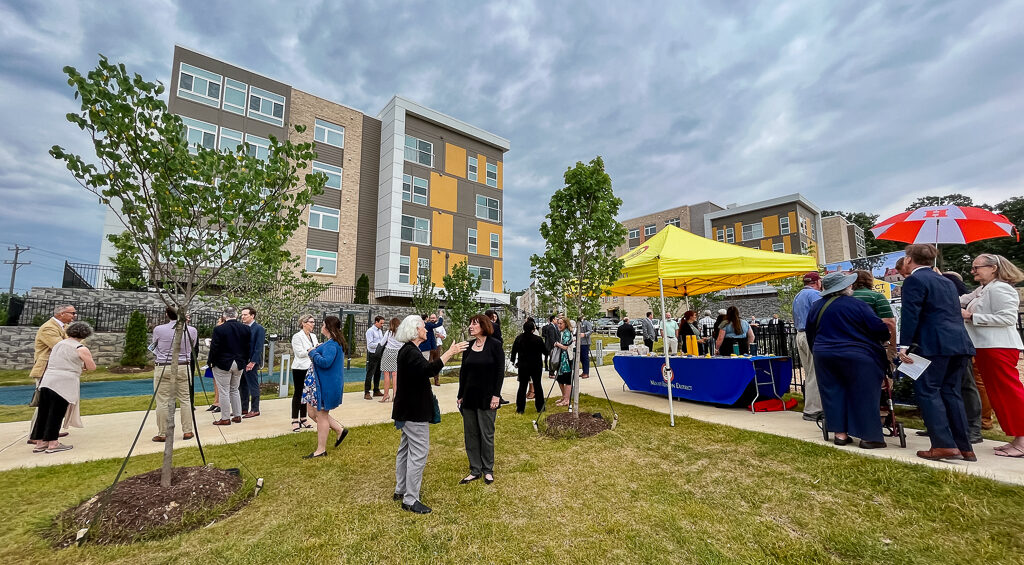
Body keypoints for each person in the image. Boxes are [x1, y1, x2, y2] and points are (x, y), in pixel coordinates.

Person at [897, 244, 976, 461]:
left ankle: (943, 444)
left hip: (932, 344)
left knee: (929, 391)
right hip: (959, 342)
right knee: (952, 392)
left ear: (909, 260)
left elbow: (911, 314)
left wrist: (904, 345)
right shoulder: (947, 281)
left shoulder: (914, 280)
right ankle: (964, 446)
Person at [392, 315, 468, 514]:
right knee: (418, 452)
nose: (427, 330)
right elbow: (428, 370)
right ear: (415, 330)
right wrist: (450, 352)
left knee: (405, 449)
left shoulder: (408, 351)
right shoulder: (410, 352)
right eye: (424, 327)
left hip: (407, 409)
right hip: (414, 411)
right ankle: (410, 499)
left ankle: (401, 489)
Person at [806, 273, 891, 449]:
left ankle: (840, 434)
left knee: (832, 392)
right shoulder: (858, 305)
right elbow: (878, 328)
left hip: (825, 354)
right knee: (865, 393)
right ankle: (869, 437)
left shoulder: (816, 307)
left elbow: (810, 333)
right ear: (846, 287)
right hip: (858, 355)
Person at [960, 253, 1024, 458]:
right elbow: (959, 300)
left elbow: (1007, 318)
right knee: (998, 394)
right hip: (987, 347)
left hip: (999, 346)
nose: (973, 271)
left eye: (976, 267)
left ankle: (1022, 440)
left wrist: (971, 316)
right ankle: (1017, 438)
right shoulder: (983, 290)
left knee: (1008, 392)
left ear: (993, 267)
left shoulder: (1002, 288)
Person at [29, 321, 95, 453]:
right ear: (85, 335)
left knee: (44, 411)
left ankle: (40, 442)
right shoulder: (80, 348)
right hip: (64, 382)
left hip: (48, 380)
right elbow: (91, 367)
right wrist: (83, 366)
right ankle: (53, 443)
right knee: (56, 413)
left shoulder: (58, 344)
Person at [457, 314, 506, 485]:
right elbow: (464, 372)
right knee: (471, 434)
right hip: (469, 397)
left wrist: (496, 395)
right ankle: (475, 469)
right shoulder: (469, 346)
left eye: (475, 324)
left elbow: (500, 372)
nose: (471, 326)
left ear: (484, 326)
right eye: (470, 323)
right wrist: (460, 394)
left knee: (486, 434)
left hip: (487, 397)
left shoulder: (495, 345)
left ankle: (488, 469)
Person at [303, 316, 349, 458]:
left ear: (328, 327)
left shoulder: (332, 344)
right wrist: (317, 349)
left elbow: (325, 362)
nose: (321, 326)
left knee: (321, 415)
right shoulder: (332, 343)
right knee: (311, 413)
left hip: (325, 386)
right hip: (321, 385)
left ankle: (321, 450)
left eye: (323, 324)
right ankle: (339, 430)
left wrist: (312, 352)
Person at [150, 306, 198, 443]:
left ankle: (163, 432)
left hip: (163, 366)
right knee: (185, 399)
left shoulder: (159, 330)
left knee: (162, 401)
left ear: (167, 314)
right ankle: (188, 430)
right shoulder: (192, 330)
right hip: (183, 366)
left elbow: (154, 345)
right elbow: (192, 346)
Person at [28, 304, 74, 445]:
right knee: (44, 403)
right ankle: (35, 434)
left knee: (54, 403)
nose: (74, 315)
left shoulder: (62, 327)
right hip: (46, 369)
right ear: (61, 314)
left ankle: (49, 431)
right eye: (72, 313)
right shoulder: (49, 328)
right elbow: (62, 346)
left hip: (57, 369)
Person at [208, 306, 250, 426]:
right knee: (234, 389)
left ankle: (225, 417)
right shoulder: (245, 329)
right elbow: (248, 347)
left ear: (225, 316)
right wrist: (245, 360)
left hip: (223, 363)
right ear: (236, 315)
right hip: (239, 362)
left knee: (224, 391)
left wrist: (210, 361)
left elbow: (214, 347)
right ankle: (237, 415)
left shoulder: (219, 329)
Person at [793, 272, 824, 421]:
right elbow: (820, 316)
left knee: (809, 372)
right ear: (817, 282)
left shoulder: (798, 296)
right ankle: (814, 410)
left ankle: (811, 407)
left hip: (800, 335)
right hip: (810, 335)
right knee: (815, 373)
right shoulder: (815, 295)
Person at [289, 313, 318, 432]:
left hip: (311, 367)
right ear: (303, 323)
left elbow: (316, 348)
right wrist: (311, 350)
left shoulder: (313, 336)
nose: (313, 324)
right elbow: (299, 353)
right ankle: (295, 419)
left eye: (313, 322)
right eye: (311, 322)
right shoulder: (297, 336)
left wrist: (316, 349)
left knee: (306, 394)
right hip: (300, 368)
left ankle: (303, 418)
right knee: (298, 393)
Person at [511, 319, 546, 414]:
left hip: (523, 365)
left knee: (522, 386)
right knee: (537, 385)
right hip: (536, 365)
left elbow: (513, 351)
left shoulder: (519, 338)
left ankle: (520, 408)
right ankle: (540, 407)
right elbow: (545, 351)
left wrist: (513, 361)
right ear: (533, 329)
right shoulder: (538, 339)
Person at [238, 307, 265, 418]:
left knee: (253, 385)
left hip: (251, 362)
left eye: (245, 315)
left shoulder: (258, 329)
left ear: (252, 316)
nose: (243, 317)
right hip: (242, 361)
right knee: (242, 385)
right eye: (242, 315)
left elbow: (258, 347)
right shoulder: (242, 328)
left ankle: (255, 409)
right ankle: (243, 408)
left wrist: (252, 362)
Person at [204, 316, 226, 414]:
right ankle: (216, 401)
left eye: (219, 321)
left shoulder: (224, 332)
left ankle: (221, 403)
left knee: (221, 384)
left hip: (221, 360)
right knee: (215, 382)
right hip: (214, 359)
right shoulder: (217, 331)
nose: (217, 322)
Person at [553, 316, 575, 406]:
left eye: (561, 323)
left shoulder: (567, 333)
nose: (559, 325)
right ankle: (564, 396)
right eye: (558, 323)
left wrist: (557, 344)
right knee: (560, 379)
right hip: (561, 360)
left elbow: (565, 347)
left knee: (567, 380)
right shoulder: (561, 332)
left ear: (565, 324)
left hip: (566, 360)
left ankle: (567, 399)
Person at [380, 317, 402, 402]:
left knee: (386, 374)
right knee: (395, 375)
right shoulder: (401, 334)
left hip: (388, 352)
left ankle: (386, 394)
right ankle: (395, 394)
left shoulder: (388, 332)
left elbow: (382, 343)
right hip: (397, 353)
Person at [365, 316, 385, 400]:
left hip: (379, 354)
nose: (382, 325)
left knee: (378, 373)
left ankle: (376, 390)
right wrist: (381, 344)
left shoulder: (380, 331)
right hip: (373, 354)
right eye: (381, 323)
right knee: (370, 373)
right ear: (376, 322)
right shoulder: (370, 331)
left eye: (383, 323)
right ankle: (367, 392)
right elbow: (370, 344)